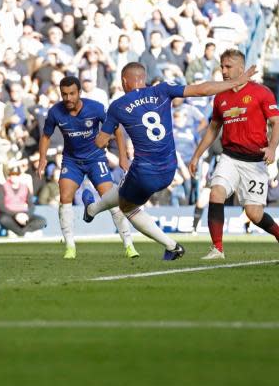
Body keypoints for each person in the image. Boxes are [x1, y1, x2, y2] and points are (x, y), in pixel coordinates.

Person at [84, 62, 256, 260]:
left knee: (128, 207)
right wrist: (237, 81)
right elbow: (202, 90)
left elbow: (100, 142)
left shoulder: (118, 105)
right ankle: (92, 209)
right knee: (124, 189)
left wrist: (101, 136)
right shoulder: (162, 90)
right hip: (169, 170)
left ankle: (172, 246)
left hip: (145, 172)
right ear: (144, 78)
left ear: (124, 81)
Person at [188, 49, 279, 259]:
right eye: (222, 66)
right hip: (229, 157)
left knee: (254, 214)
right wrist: (196, 156)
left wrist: (272, 147)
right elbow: (213, 128)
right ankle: (217, 248)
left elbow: (276, 122)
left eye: (228, 66)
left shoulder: (262, 92)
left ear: (241, 68)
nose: (224, 71)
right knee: (216, 192)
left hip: (255, 161)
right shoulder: (220, 96)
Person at [37, 76, 138, 259]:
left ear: (79, 93)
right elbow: (45, 136)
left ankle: (129, 245)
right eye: (64, 94)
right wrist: (42, 158)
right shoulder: (55, 112)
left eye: (72, 94)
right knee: (65, 197)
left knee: (111, 200)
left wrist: (123, 157)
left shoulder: (96, 108)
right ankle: (70, 247)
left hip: (95, 158)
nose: (68, 98)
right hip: (71, 160)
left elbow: (116, 129)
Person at [0, 164, 46, 238]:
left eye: (17, 174)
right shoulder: (2, 187)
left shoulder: (25, 187)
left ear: (20, 176)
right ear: (9, 176)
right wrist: (16, 215)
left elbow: (31, 205)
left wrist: (27, 215)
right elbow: (1, 206)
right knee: (4, 219)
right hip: (9, 214)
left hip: (23, 215)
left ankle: (20, 232)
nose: (14, 177)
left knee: (42, 221)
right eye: (12, 174)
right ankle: (23, 233)